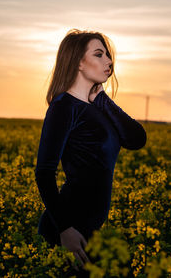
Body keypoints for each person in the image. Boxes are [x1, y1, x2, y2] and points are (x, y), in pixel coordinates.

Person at [34, 28, 147, 277]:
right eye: (99, 54)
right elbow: (43, 172)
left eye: (108, 54)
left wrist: (104, 100)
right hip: (68, 231)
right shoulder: (63, 106)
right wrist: (65, 229)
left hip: (90, 229)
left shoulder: (97, 106)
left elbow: (136, 138)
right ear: (78, 62)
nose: (109, 61)